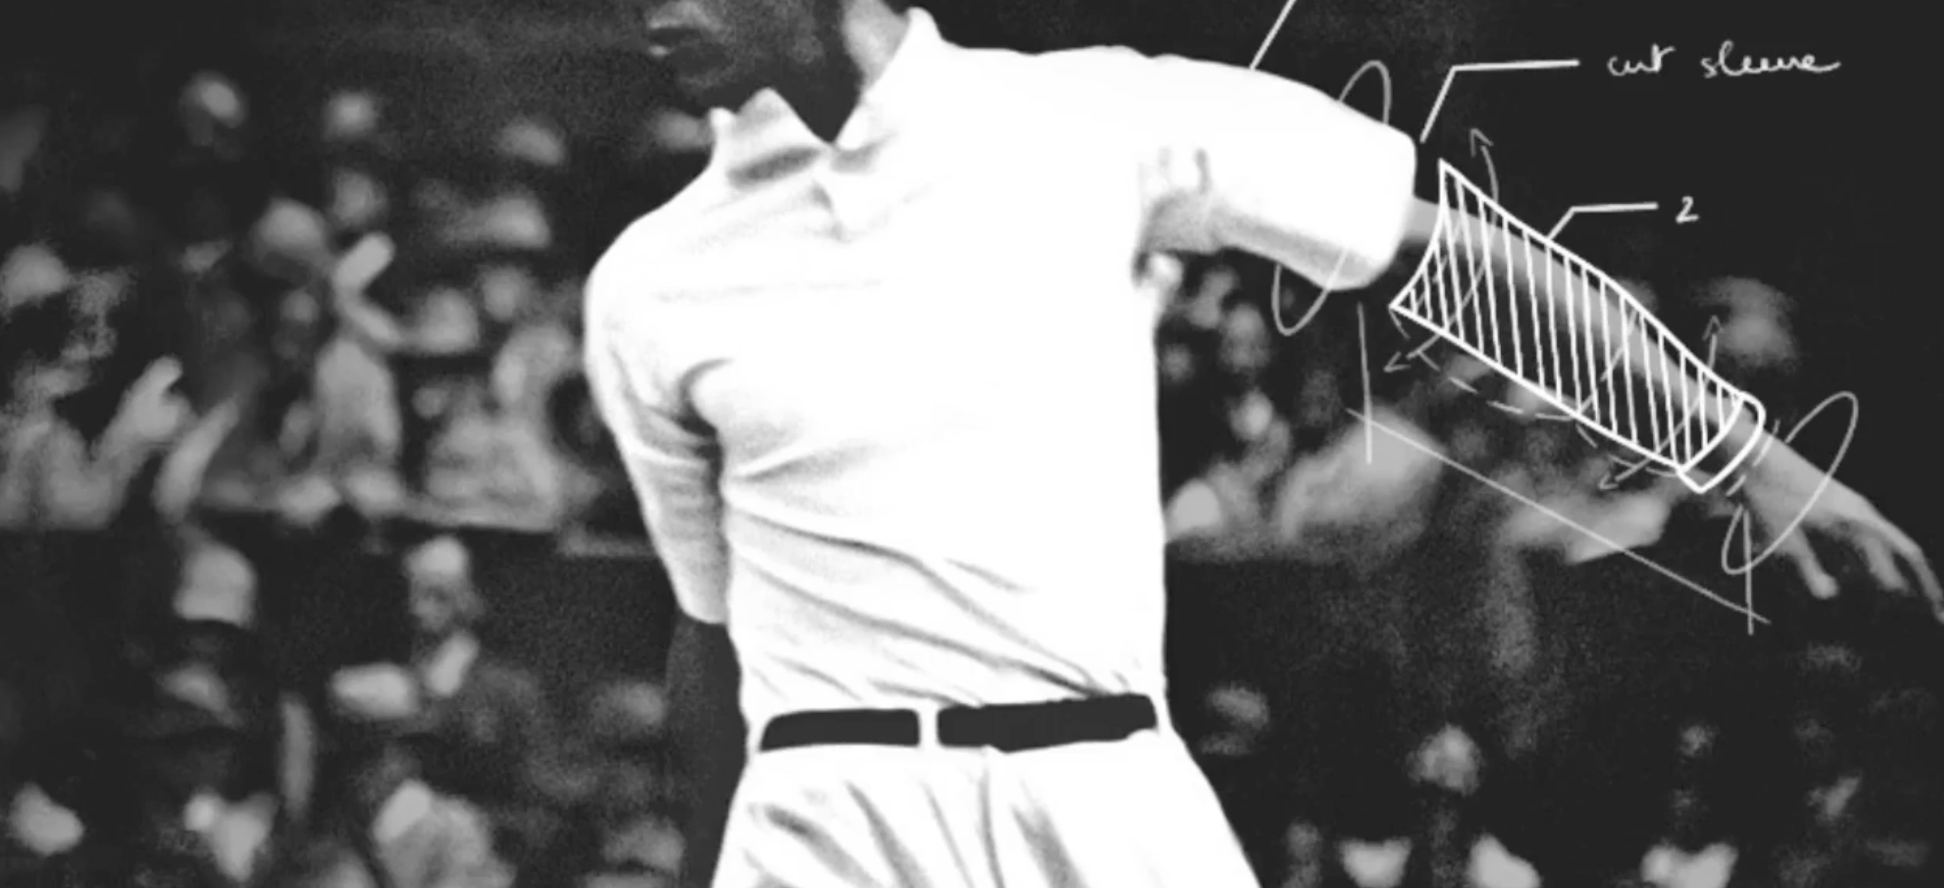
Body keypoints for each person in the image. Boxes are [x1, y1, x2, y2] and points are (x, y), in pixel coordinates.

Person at [583, 2, 1942, 886]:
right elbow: (712, 639)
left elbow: (1455, 261)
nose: (649, 16)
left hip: (1106, 794)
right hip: (821, 816)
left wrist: (1748, 458)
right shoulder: (650, 280)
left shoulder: (1095, 120)